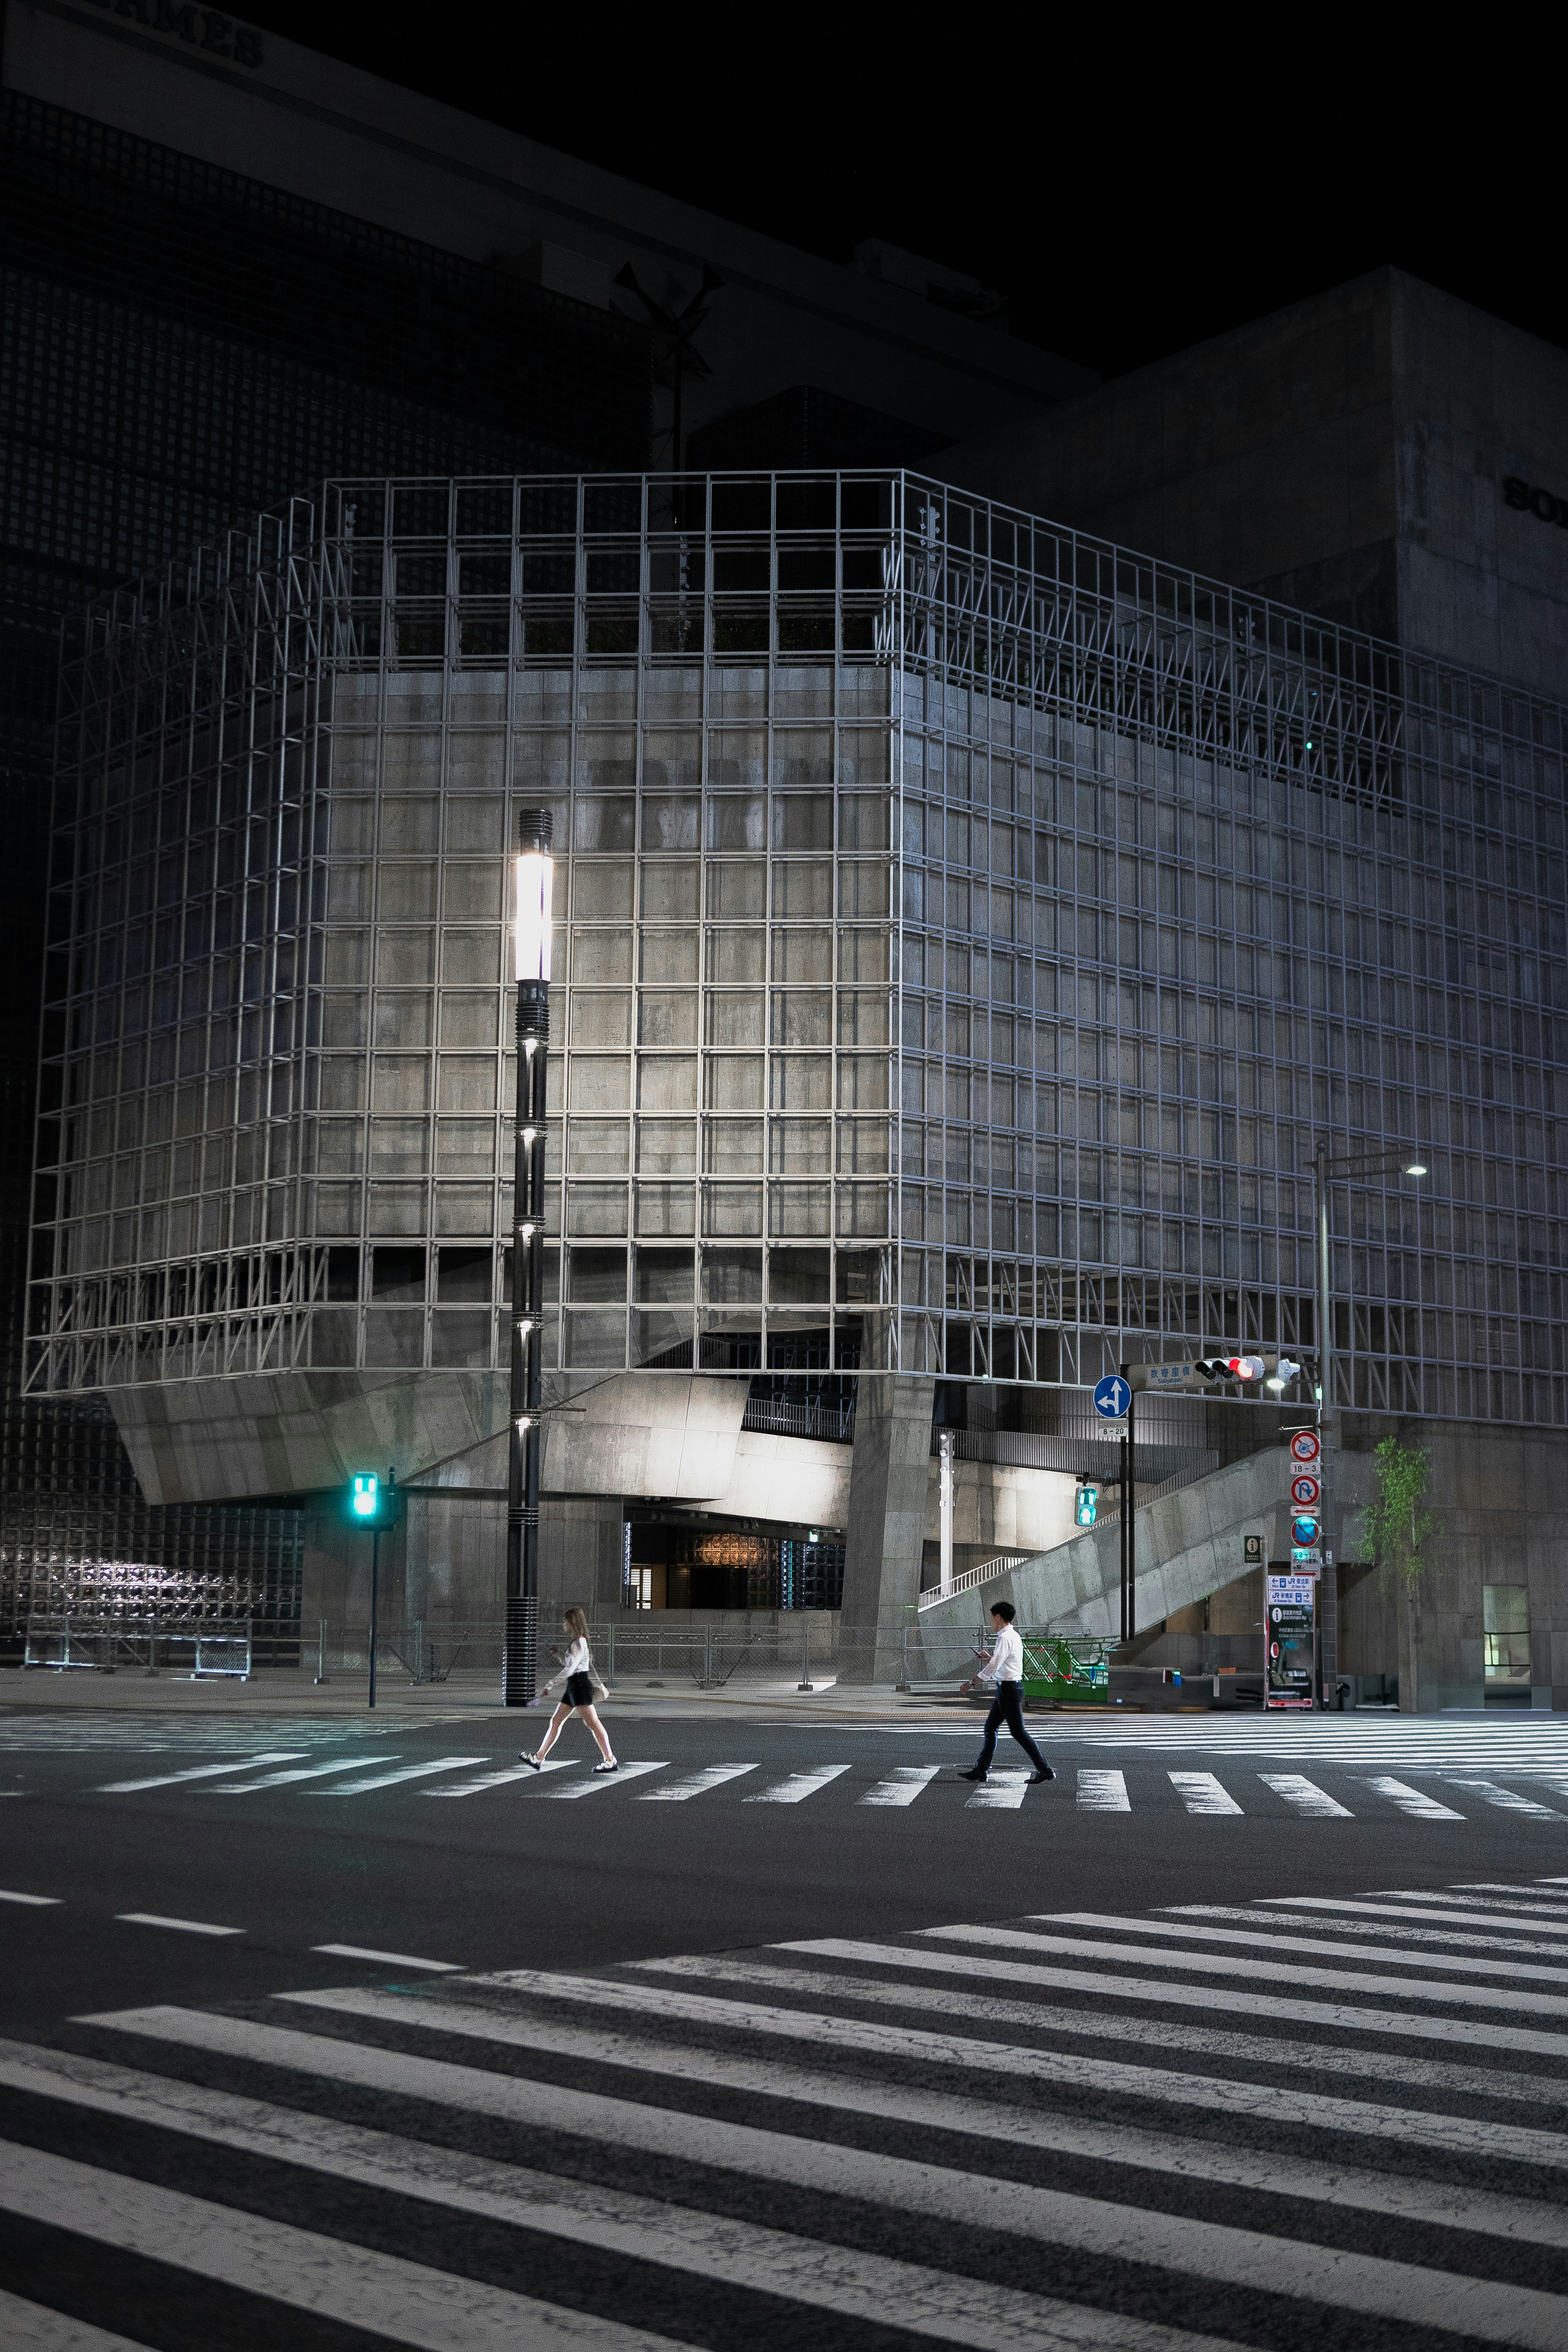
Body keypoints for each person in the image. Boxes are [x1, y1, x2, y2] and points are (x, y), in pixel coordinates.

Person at [958, 1602, 1055, 1784]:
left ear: (998, 1617)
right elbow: (1004, 1662)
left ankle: (1045, 1770)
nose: (991, 1623)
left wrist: (972, 1683)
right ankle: (980, 1770)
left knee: (1019, 1733)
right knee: (991, 1728)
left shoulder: (1004, 1638)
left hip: (1009, 1689)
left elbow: (995, 1666)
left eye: (992, 1619)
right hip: (1007, 1688)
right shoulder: (1014, 1635)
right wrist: (990, 1658)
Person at [520, 1607, 618, 1773]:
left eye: (566, 1621)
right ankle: (538, 1758)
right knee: (557, 1722)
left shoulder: (579, 1642)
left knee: (593, 1724)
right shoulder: (578, 1642)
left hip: (579, 1687)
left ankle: (610, 1760)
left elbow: (570, 1670)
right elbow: (571, 1666)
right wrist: (558, 1655)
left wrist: (550, 1684)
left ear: (573, 1623)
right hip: (575, 1687)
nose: (563, 1624)